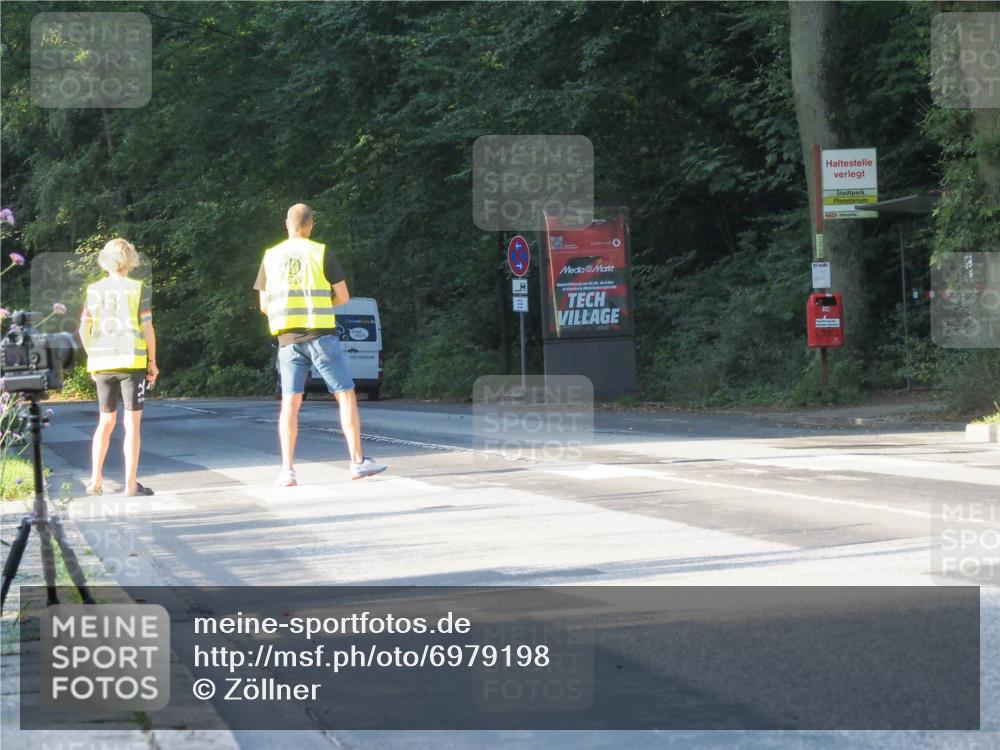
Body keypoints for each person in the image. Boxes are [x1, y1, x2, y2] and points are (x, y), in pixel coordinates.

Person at [255, 203, 386, 485]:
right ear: (311, 225)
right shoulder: (320, 252)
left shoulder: (270, 256)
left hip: (287, 339)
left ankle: (287, 470)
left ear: (286, 224)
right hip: (321, 335)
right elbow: (343, 296)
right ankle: (357, 462)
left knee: (290, 403)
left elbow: (264, 305)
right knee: (345, 395)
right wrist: (320, 304)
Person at [79, 238, 158, 496]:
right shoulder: (138, 289)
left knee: (105, 421)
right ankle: (130, 485)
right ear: (130, 260)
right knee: (132, 424)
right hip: (131, 362)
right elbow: (147, 327)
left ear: (104, 260)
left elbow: (83, 328)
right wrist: (152, 361)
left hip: (102, 364)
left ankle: (95, 481)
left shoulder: (94, 290)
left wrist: (93, 356)